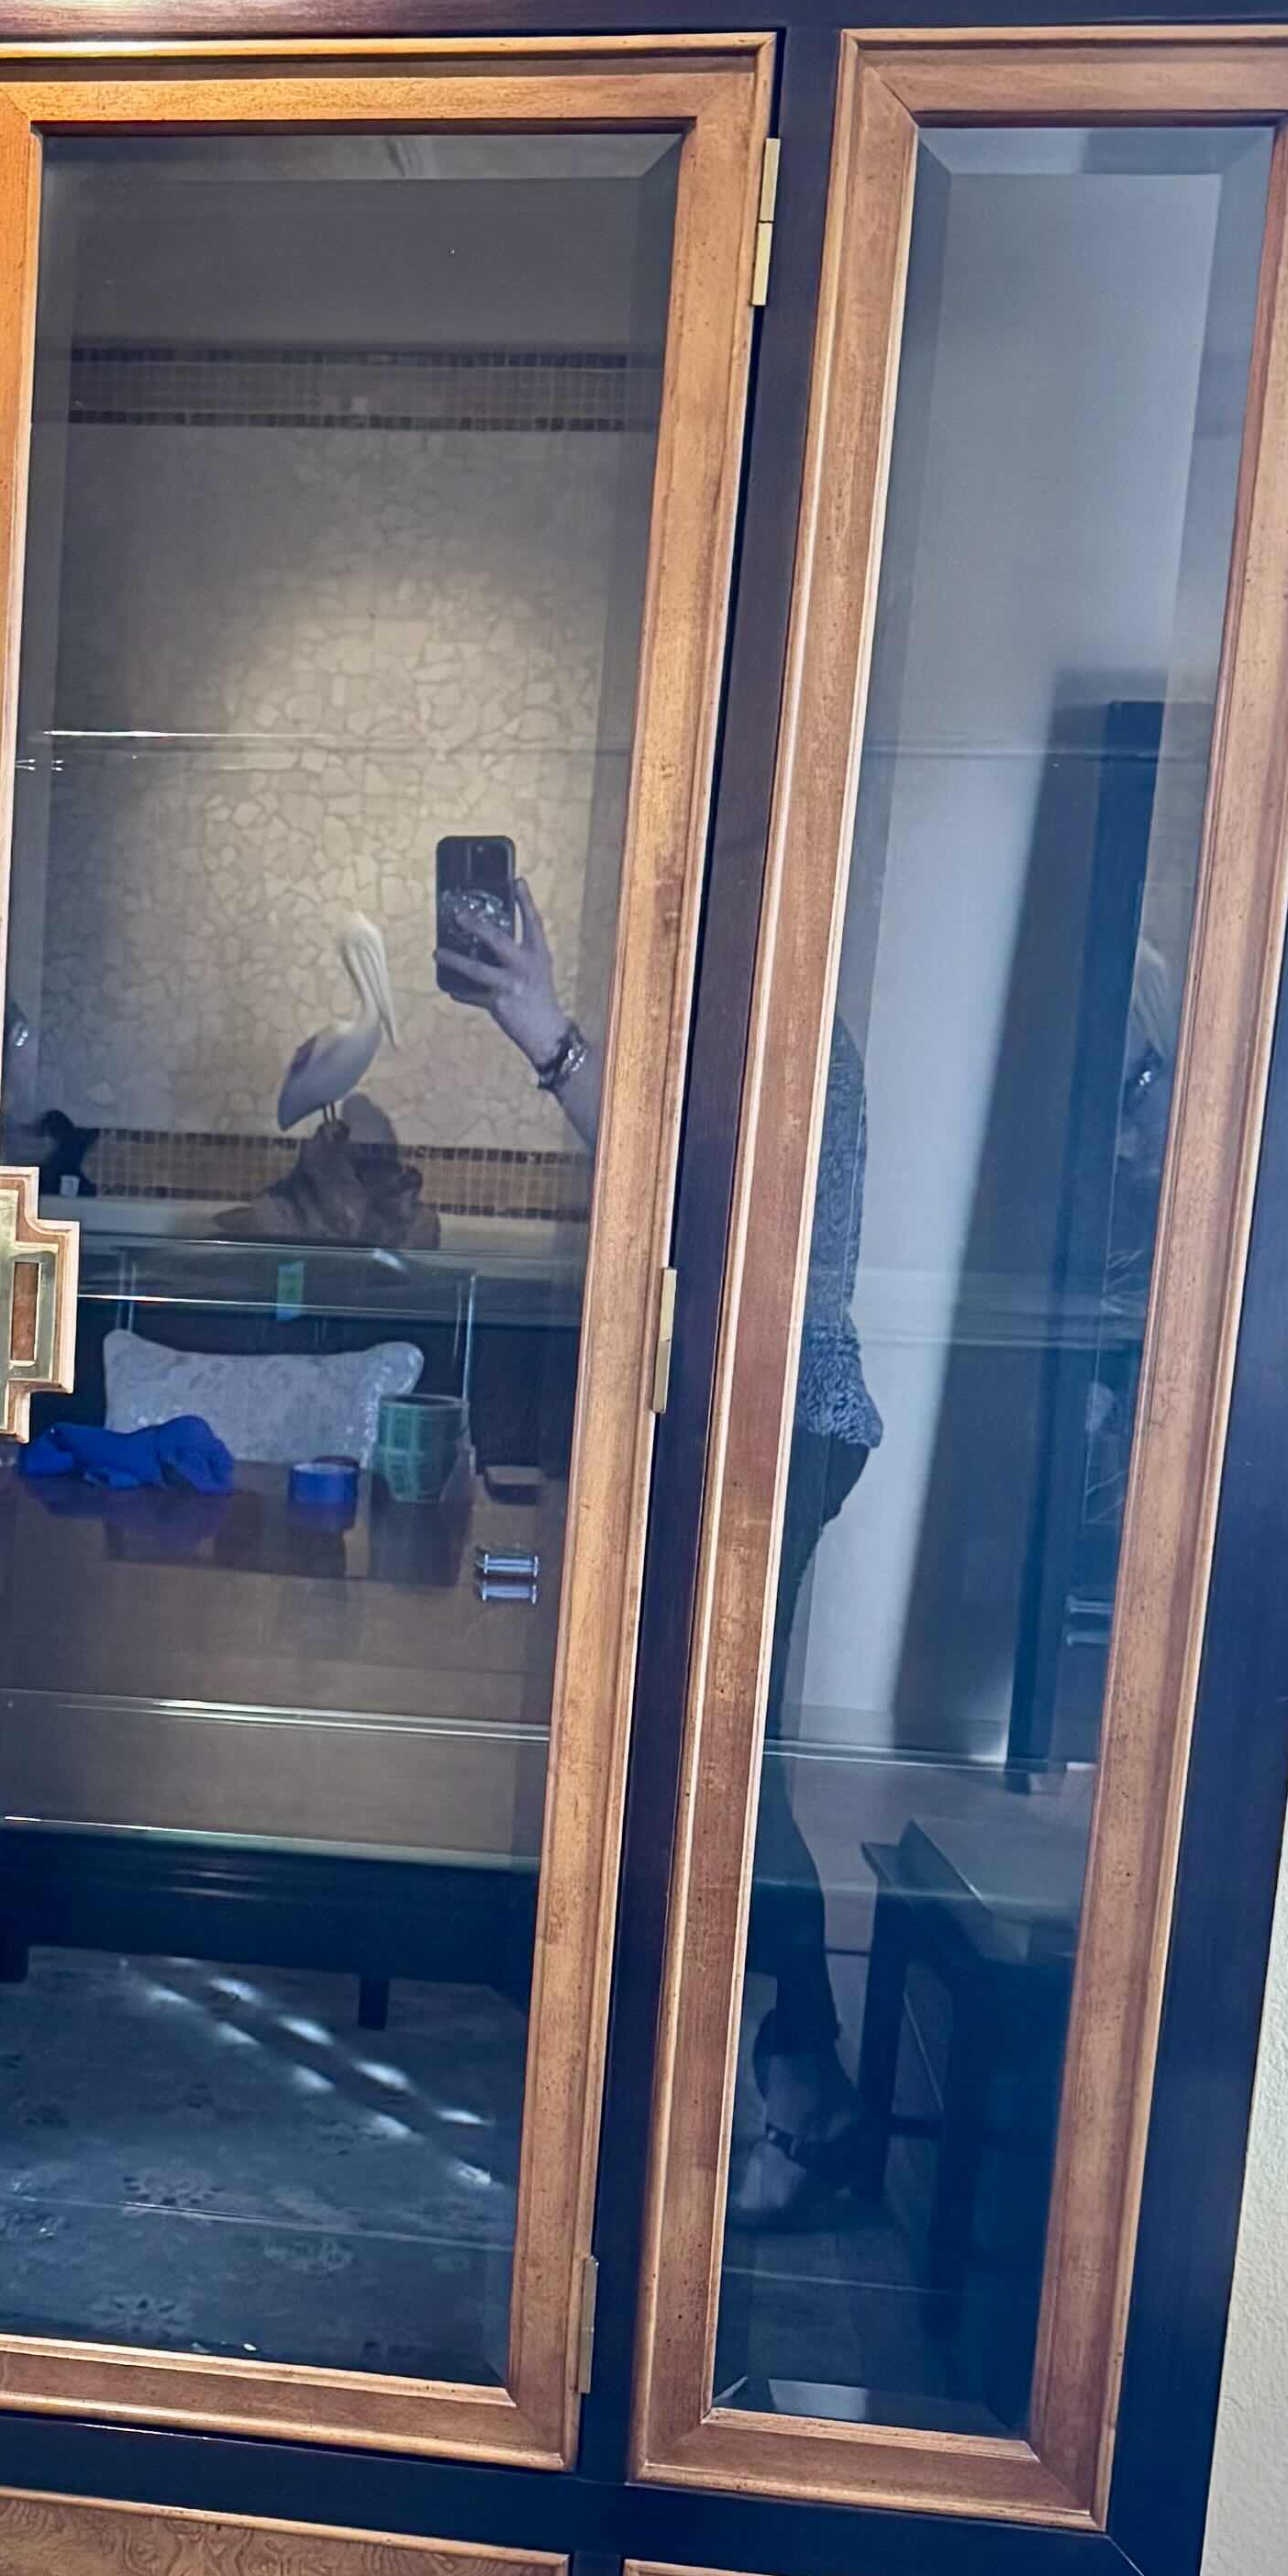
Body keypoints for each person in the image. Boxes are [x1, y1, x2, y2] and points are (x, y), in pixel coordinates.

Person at [437, 868, 882, 2223]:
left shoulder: (793, 1036)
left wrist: (552, 1038)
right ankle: (751, 2075)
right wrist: (546, 1029)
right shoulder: (717, 1038)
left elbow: (710, 1220)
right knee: (705, 1753)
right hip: (724, 1421)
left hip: (779, 1424)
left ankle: (795, 2092)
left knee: (722, 1763)